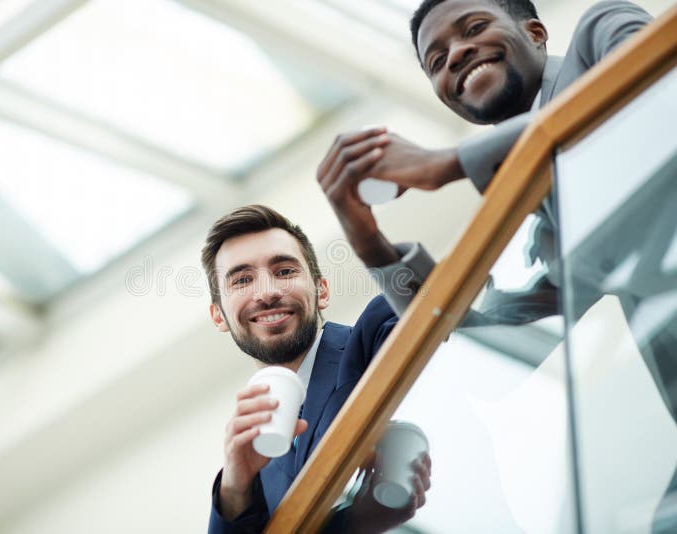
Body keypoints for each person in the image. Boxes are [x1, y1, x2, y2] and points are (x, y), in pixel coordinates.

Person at [318, 1, 677, 531]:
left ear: (534, 33)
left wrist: (448, 163)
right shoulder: (550, 220)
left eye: (474, 29)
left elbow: (657, 96)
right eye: (437, 60)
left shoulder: (602, 30)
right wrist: (367, 239)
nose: (456, 54)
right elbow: (469, 330)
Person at [202, 205, 432, 534]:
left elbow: (426, 295)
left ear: (321, 291)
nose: (266, 292)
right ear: (219, 316)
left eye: (284, 271)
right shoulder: (258, 467)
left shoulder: (371, 340)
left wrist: (369, 240)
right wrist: (234, 491)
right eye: (242, 280)